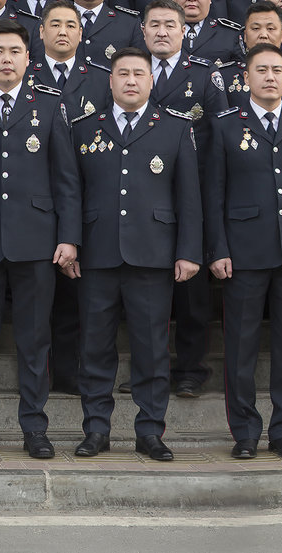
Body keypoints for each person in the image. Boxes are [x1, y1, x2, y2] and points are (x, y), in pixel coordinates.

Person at [0, 23, 81, 460]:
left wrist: (68, 238)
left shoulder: (49, 103)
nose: (7, 58)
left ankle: (35, 429)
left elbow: (66, 181)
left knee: (33, 340)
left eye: (15, 51)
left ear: (29, 58)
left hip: (37, 242)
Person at [69, 49, 201, 461]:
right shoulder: (83, 127)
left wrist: (188, 252)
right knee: (94, 347)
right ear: (109, 81)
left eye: (138, 74)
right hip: (96, 253)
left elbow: (189, 198)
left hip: (153, 254)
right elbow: (71, 192)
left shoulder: (175, 128)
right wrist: (70, 242)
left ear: (151, 81)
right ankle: (95, 429)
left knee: (151, 349)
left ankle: (150, 431)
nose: (130, 80)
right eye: (122, 73)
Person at [202, 43, 282, 461]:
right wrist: (217, 249)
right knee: (240, 347)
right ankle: (244, 431)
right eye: (262, 70)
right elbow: (213, 195)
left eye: (278, 69)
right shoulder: (225, 126)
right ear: (247, 77)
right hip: (242, 253)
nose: (271, 77)